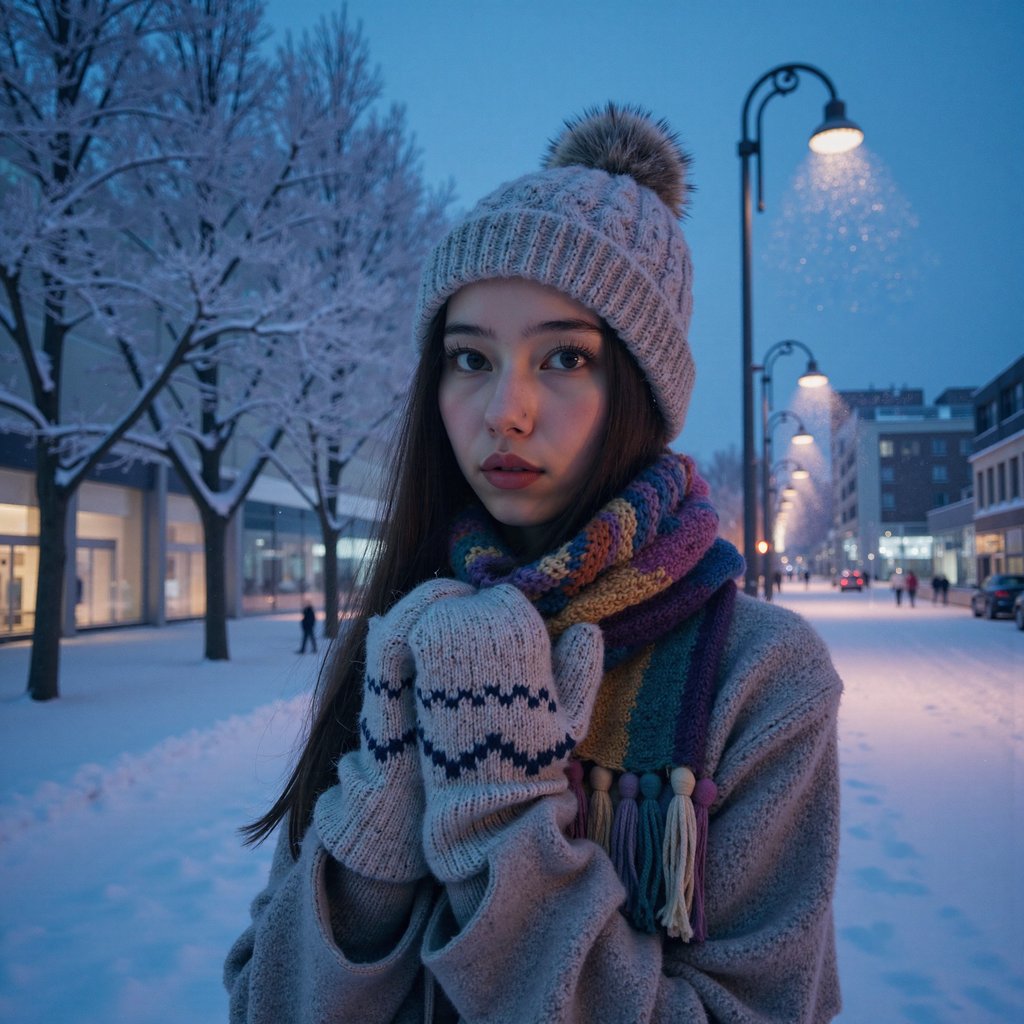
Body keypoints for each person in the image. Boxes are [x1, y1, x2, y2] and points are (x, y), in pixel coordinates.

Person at [225, 105, 844, 1023]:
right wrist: (375, 840)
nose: (504, 411)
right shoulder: (397, 642)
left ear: (641, 386)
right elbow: (266, 1005)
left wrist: (500, 817)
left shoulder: (762, 678)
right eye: (468, 357)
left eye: (563, 358)